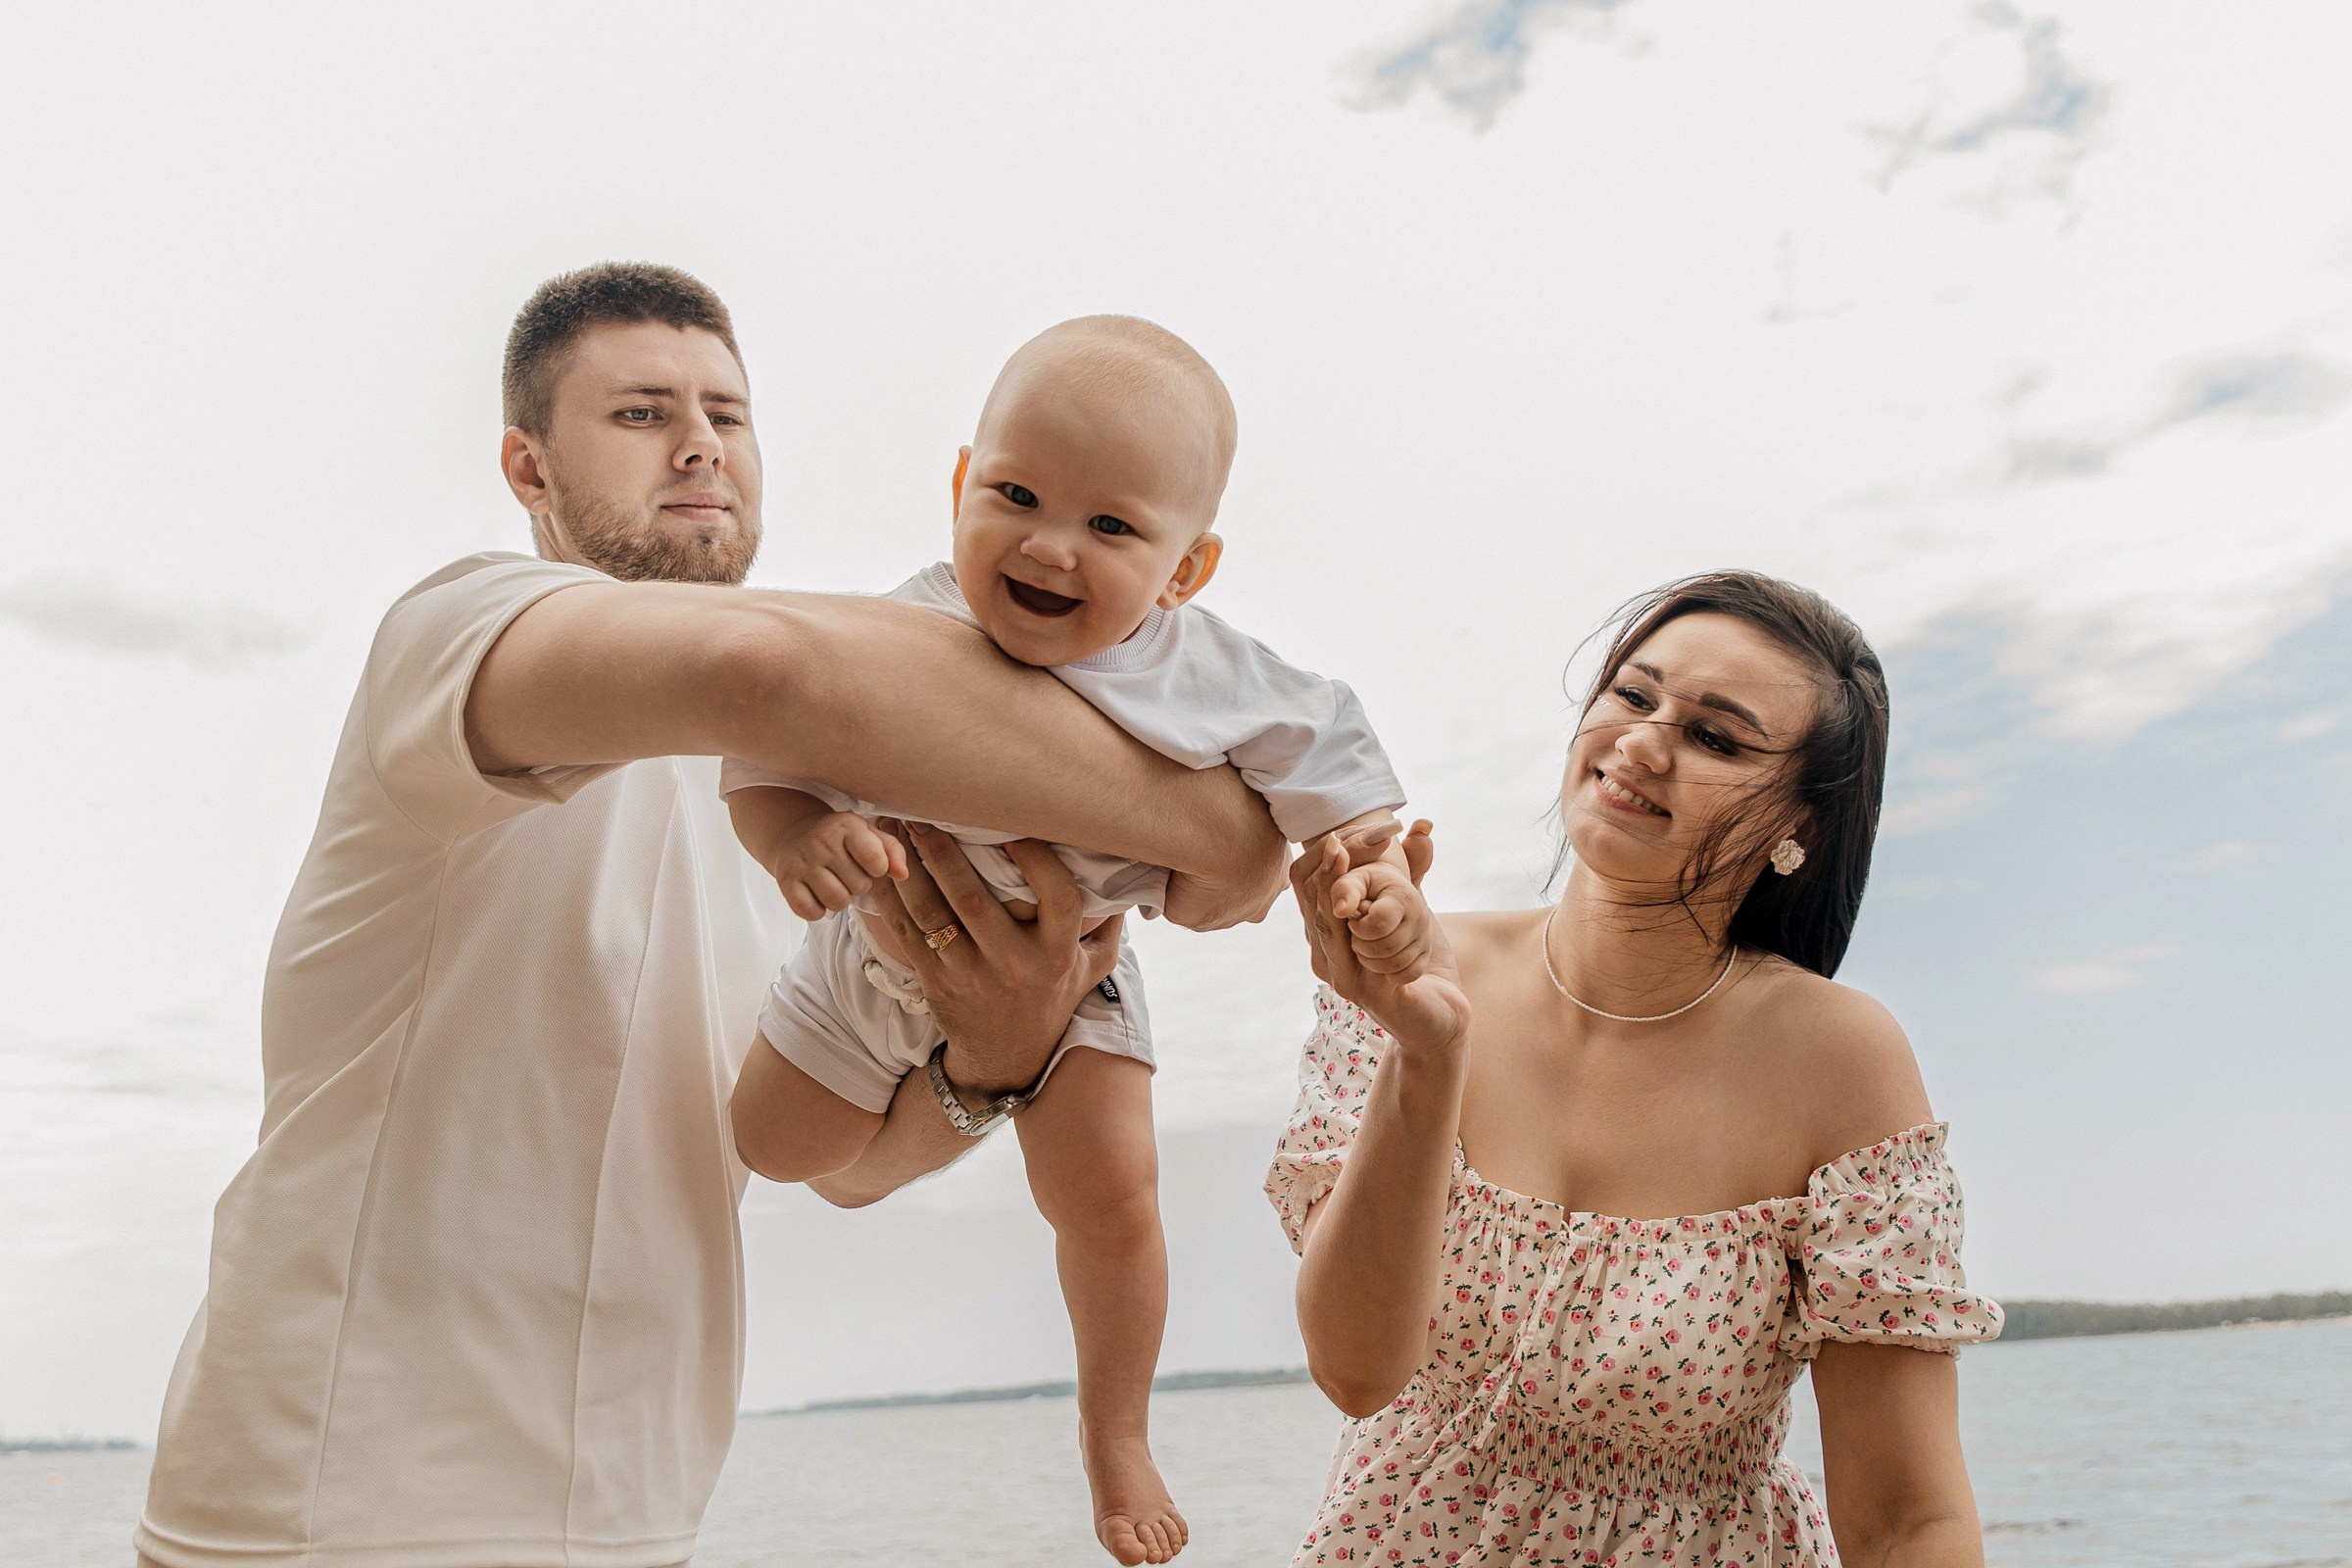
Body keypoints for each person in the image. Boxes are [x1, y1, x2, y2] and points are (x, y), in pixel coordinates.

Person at [134, 264, 1286, 1568]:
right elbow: (761, 665)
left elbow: (843, 1161)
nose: (700, 442)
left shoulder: (805, 802)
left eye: (728, 415)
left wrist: (995, 1061)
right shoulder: (461, 631)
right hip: (334, 1510)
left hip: (636, 1514)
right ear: (528, 467)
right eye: (640, 413)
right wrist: (1222, 835)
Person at [724, 316, 1408, 1566]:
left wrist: (1363, 857)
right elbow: (767, 742)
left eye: (1111, 527)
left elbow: (1329, 747)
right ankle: (956, 1091)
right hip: (875, 939)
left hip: (1082, 962)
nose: (1049, 545)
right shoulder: (905, 626)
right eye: (1018, 495)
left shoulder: (1207, 671)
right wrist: (786, 839)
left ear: (1186, 570)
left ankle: (1115, 1428)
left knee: (1110, 1198)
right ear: (958, 488)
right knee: (770, 1144)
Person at [1269, 571, 2004, 1566]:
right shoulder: (1412, 977)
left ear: (1801, 824)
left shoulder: (1840, 1062)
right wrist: (1428, 1054)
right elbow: (1355, 1371)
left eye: (1717, 737)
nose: (1645, 742)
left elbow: (1906, 1519)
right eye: (1633, 694)